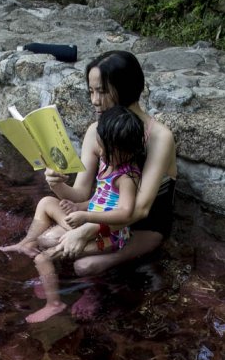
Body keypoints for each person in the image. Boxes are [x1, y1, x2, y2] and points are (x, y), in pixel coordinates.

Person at [45, 50, 177, 278]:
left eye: (103, 91)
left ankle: (99, 300)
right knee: (47, 240)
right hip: (104, 218)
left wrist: (85, 230)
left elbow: (140, 209)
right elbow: (80, 193)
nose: (95, 101)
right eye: (91, 91)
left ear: (125, 88)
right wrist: (55, 183)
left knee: (85, 266)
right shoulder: (96, 131)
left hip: (142, 227)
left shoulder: (159, 137)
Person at [23, 105, 145, 323]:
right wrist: (78, 205)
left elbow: (125, 213)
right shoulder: (107, 164)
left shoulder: (126, 177)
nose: (102, 152)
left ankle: (54, 303)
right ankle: (36, 255)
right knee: (48, 211)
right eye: (102, 144)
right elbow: (102, 199)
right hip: (91, 225)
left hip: (110, 236)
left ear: (128, 151)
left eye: (110, 149)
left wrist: (87, 216)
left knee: (43, 257)